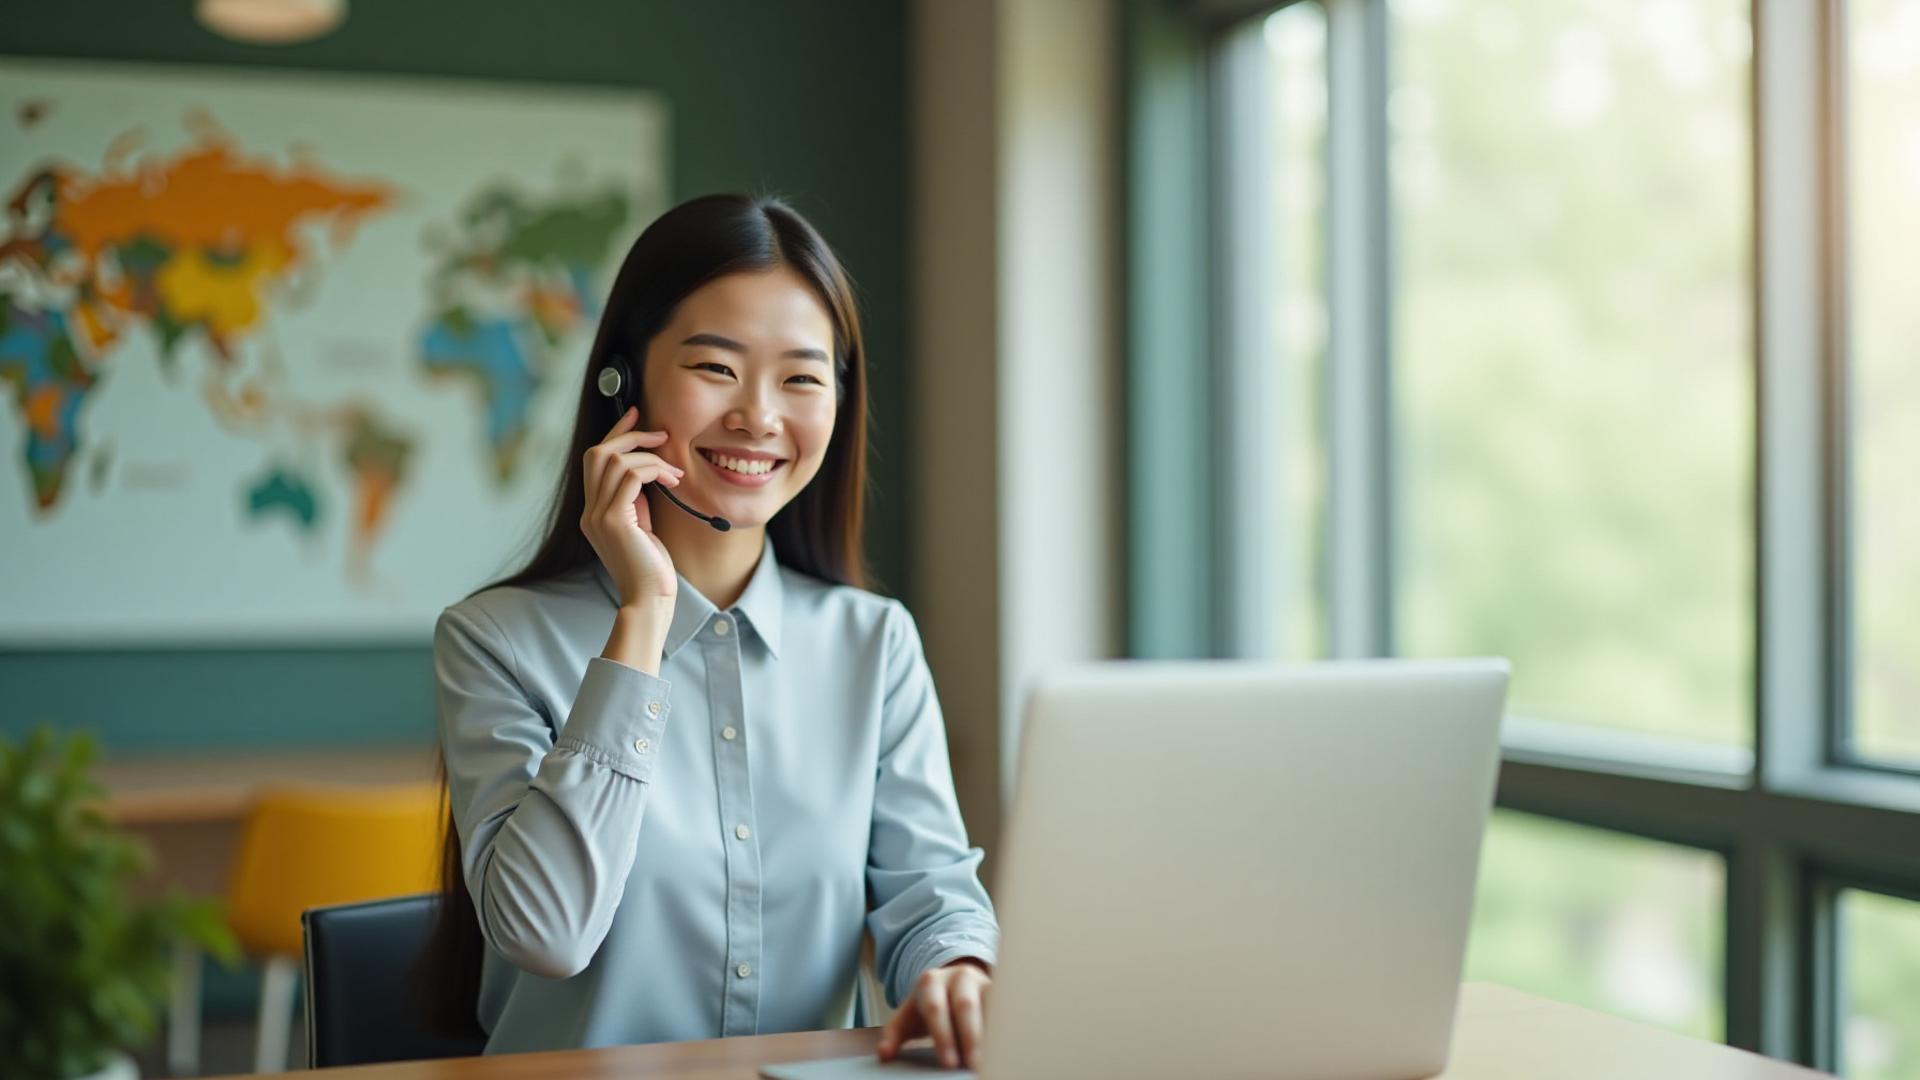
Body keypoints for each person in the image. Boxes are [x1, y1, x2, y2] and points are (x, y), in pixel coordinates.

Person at [422, 194, 998, 1070]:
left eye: (802, 377)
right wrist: (643, 617)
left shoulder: (873, 645)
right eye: (717, 368)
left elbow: (930, 897)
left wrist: (956, 967)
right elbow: (546, 934)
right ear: (624, 379)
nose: (760, 418)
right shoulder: (495, 640)